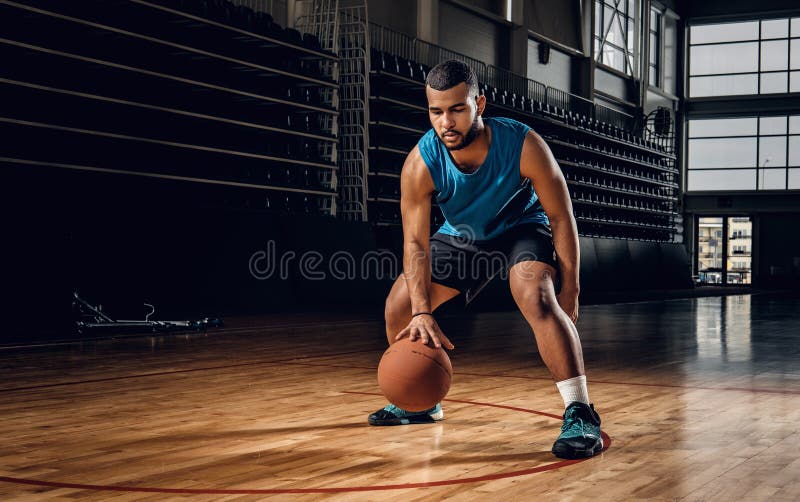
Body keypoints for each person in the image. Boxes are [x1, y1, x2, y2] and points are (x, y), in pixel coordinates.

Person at [366, 60, 603, 460]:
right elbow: (415, 243)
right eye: (436, 111)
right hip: (465, 236)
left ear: (480, 103)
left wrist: (571, 286)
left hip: (521, 227)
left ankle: (580, 412)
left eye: (457, 109)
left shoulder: (523, 144)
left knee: (534, 295)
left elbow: (561, 215)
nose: (446, 122)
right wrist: (422, 312)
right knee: (400, 305)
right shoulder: (420, 163)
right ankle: (420, 402)